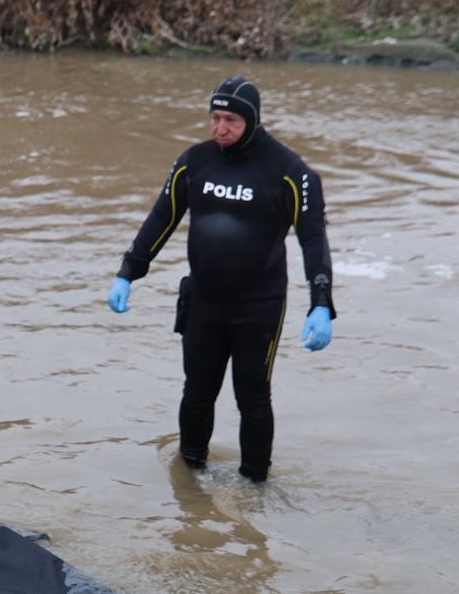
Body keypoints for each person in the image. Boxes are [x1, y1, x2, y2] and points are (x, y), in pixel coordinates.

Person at [107, 76, 334, 482]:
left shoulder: (289, 173)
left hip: (258, 306)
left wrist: (321, 302)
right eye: (214, 118)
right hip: (203, 302)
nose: (220, 128)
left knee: (253, 398)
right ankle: (191, 479)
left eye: (230, 119)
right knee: (197, 391)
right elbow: (162, 218)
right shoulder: (194, 162)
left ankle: (255, 486)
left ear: (252, 121)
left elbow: (313, 238)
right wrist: (129, 271)